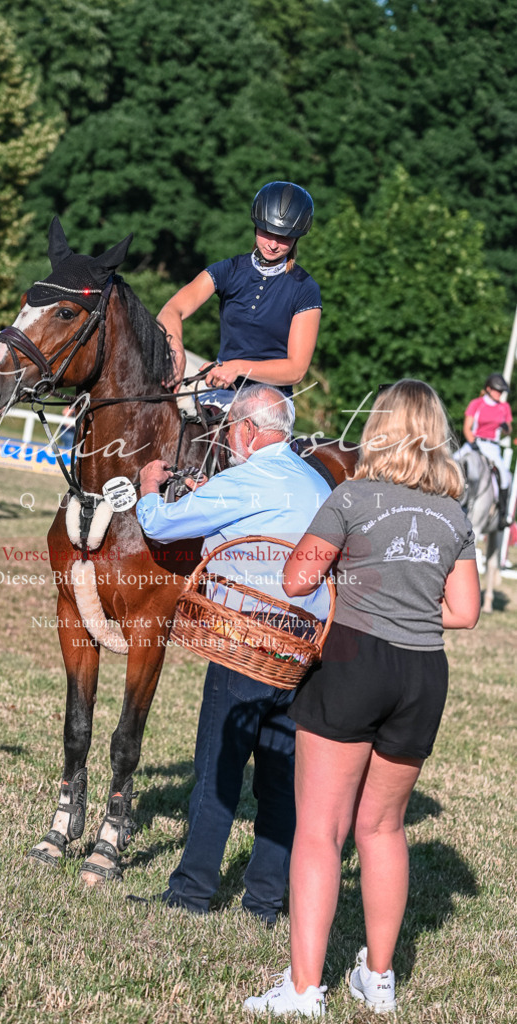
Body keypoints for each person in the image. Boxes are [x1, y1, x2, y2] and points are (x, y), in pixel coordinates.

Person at [244, 380, 480, 1016]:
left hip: (352, 662)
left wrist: (352, 595)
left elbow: (297, 579)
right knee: (384, 828)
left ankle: (303, 989)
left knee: (320, 831)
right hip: (422, 673)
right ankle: (379, 979)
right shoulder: (454, 515)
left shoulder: (352, 497)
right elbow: (465, 612)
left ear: (378, 427)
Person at [133, 384, 331, 926]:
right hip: (301, 651)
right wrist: (211, 495)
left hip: (243, 643)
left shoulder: (245, 478)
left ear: (246, 430)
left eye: (230, 431)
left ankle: (192, 891)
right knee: (278, 781)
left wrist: (151, 487)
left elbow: (160, 524)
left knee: (217, 770)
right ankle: (264, 903)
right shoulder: (316, 482)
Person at [157, 181, 320, 405]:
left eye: (284, 237)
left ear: (297, 238)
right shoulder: (229, 269)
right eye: (267, 232)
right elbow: (172, 309)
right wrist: (176, 351)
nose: (273, 244)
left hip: (271, 401)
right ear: (255, 226)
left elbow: (296, 370)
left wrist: (238, 367)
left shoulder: (305, 287)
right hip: (221, 392)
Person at [462, 372, 513, 528]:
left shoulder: (504, 407)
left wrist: (506, 427)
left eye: (501, 392)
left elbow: (509, 430)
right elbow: (467, 428)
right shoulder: (476, 403)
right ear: (489, 389)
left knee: (504, 477)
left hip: (492, 446)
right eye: (497, 390)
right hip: (475, 443)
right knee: (451, 462)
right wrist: (473, 442)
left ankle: (502, 515)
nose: (499, 394)